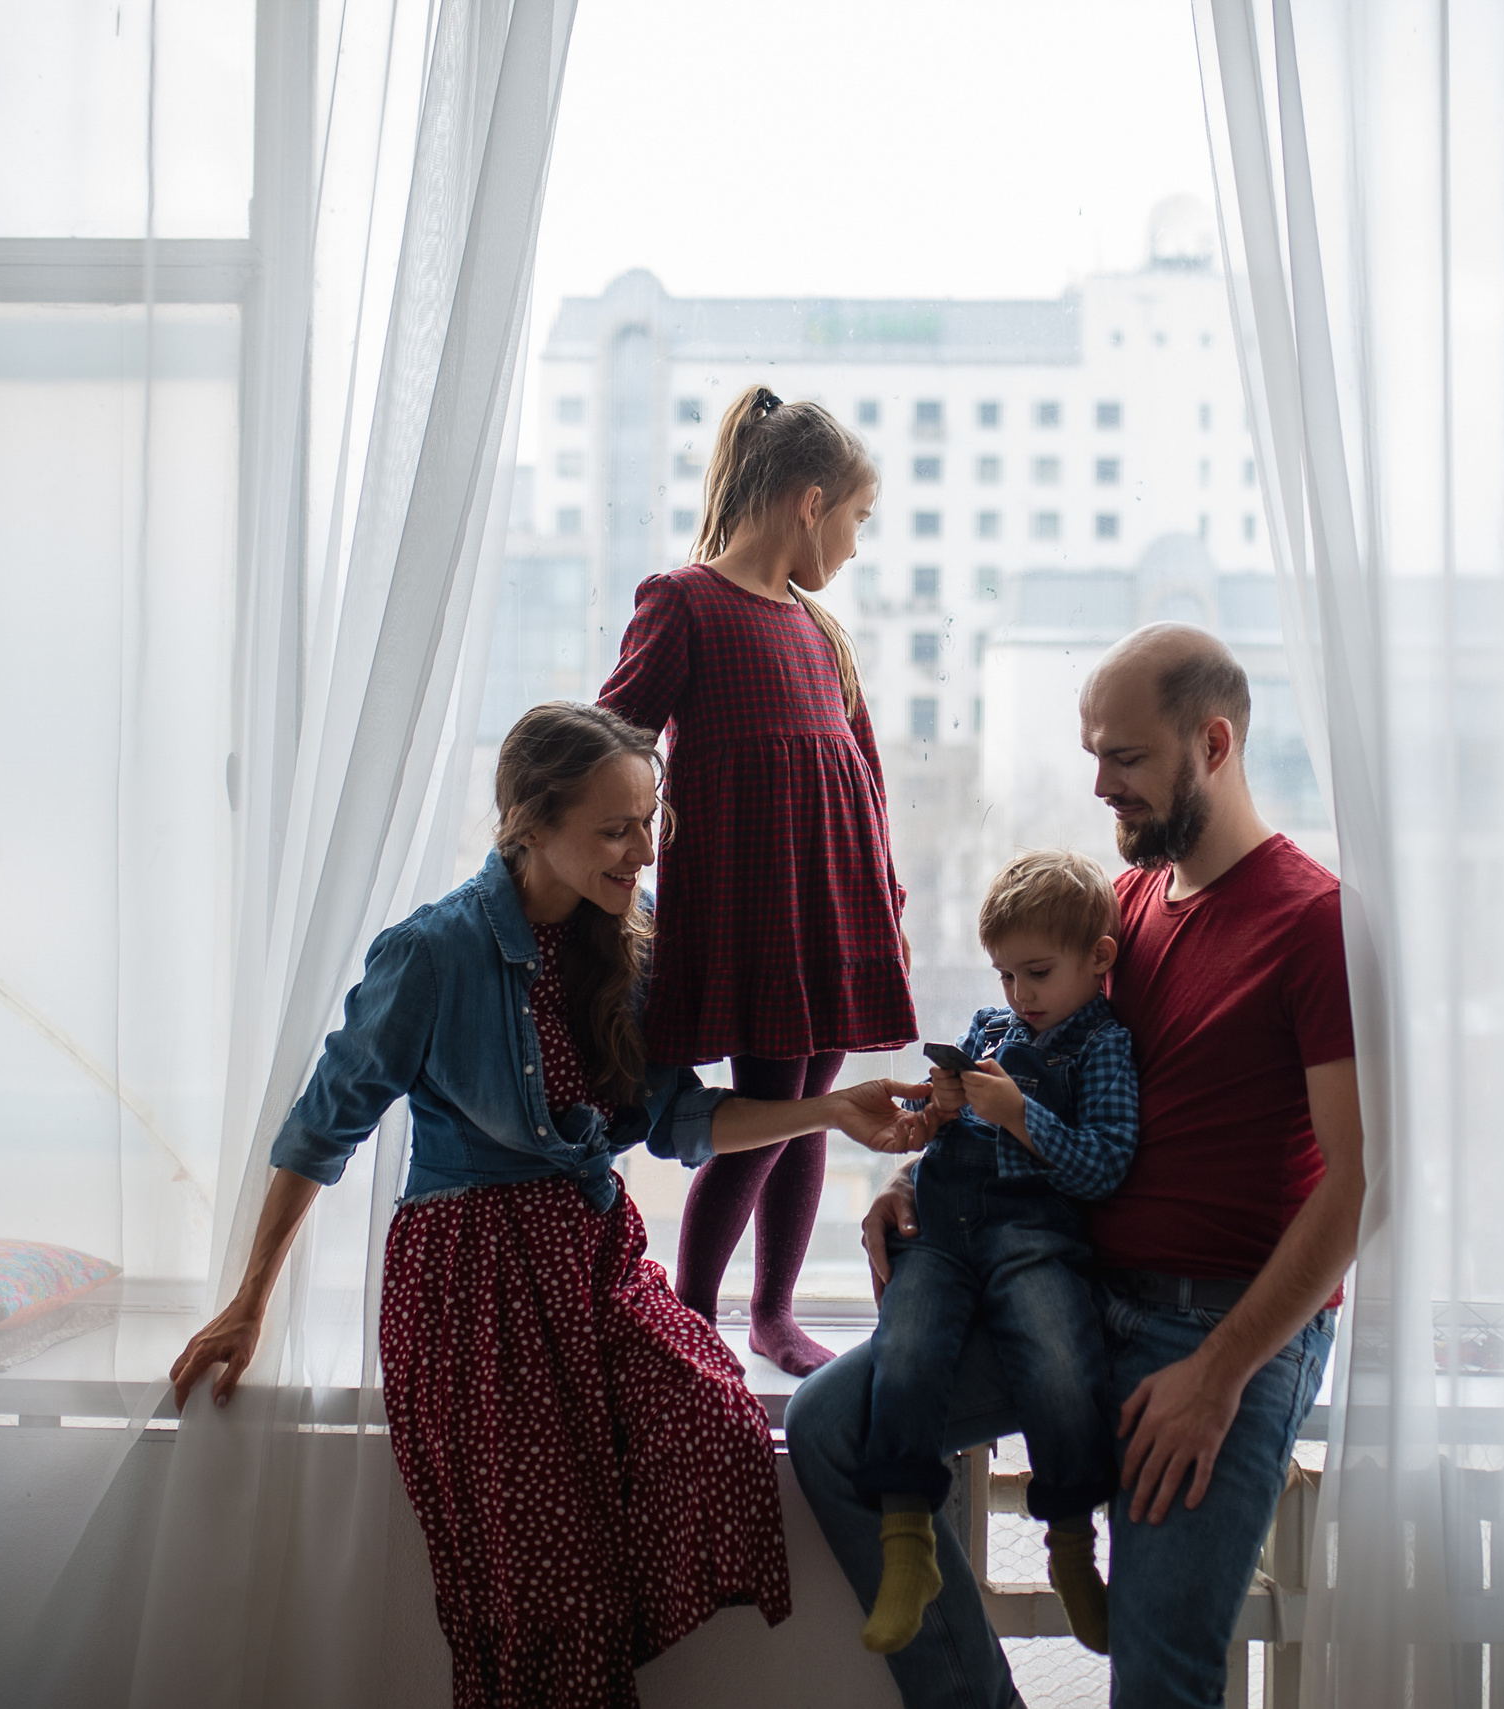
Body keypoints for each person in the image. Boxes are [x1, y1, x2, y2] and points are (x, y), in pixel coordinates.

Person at [170, 703, 927, 1709]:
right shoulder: (432, 952)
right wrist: (251, 1296)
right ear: (530, 820)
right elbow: (322, 1127)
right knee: (541, 1591)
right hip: (470, 1285)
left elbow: (679, 1121)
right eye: (614, 827)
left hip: (590, 1260)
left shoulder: (631, 950)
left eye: (649, 820)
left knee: (716, 1428)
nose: (640, 850)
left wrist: (830, 1108)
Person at [787, 625, 1365, 1708]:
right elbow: (1031, 1088)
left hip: (1214, 1329)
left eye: (1127, 759)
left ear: (1214, 743)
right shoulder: (1123, 913)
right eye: (1093, 754)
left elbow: (1357, 1185)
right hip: (1073, 1288)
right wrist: (917, 1184)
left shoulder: (1313, 921)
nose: (1100, 784)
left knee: (1156, 1674)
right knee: (829, 1426)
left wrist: (1219, 1373)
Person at [598, 384, 915, 1378]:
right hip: (754, 907)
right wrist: (610, 868)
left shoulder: (820, 632)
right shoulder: (685, 603)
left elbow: (862, 778)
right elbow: (611, 742)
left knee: (813, 1091)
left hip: (834, 901)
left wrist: (890, 905)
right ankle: (694, 1314)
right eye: (857, 519)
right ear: (809, 503)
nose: (857, 547)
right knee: (777, 1096)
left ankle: (772, 1310)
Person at [857, 850, 1139, 1657]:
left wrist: (1021, 1115)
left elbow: (1103, 1164)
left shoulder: (1103, 1047)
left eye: (1038, 974)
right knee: (902, 1351)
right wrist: (945, 1107)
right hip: (945, 1227)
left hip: (1034, 1231)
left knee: (1059, 1358)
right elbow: (943, 1139)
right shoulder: (993, 1026)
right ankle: (907, 1542)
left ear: (1099, 959)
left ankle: (1072, 1546)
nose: (1020, 995)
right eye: (1006, 975)